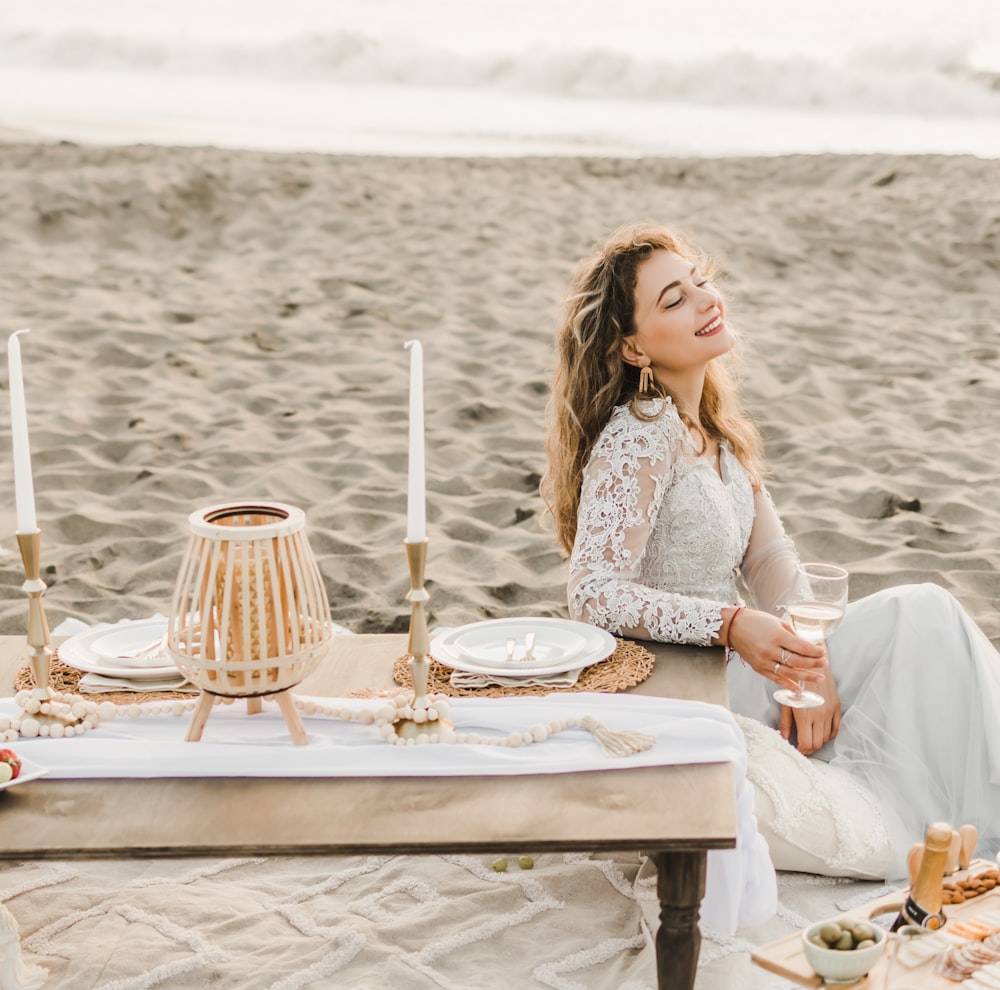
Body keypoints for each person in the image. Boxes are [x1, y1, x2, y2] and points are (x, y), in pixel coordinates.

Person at [542, 221, 1000, 879]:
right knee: (921, 614)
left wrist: (807, 664)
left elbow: (772, 564)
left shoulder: (715, 433)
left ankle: (975, 813)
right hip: (685, 684)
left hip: (744, 663)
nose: (705, 299)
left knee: (925, 622)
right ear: (633, 347)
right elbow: (592, 594)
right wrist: (733, 624)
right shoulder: (638, 437)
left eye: (699, 280)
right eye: (674, 299)